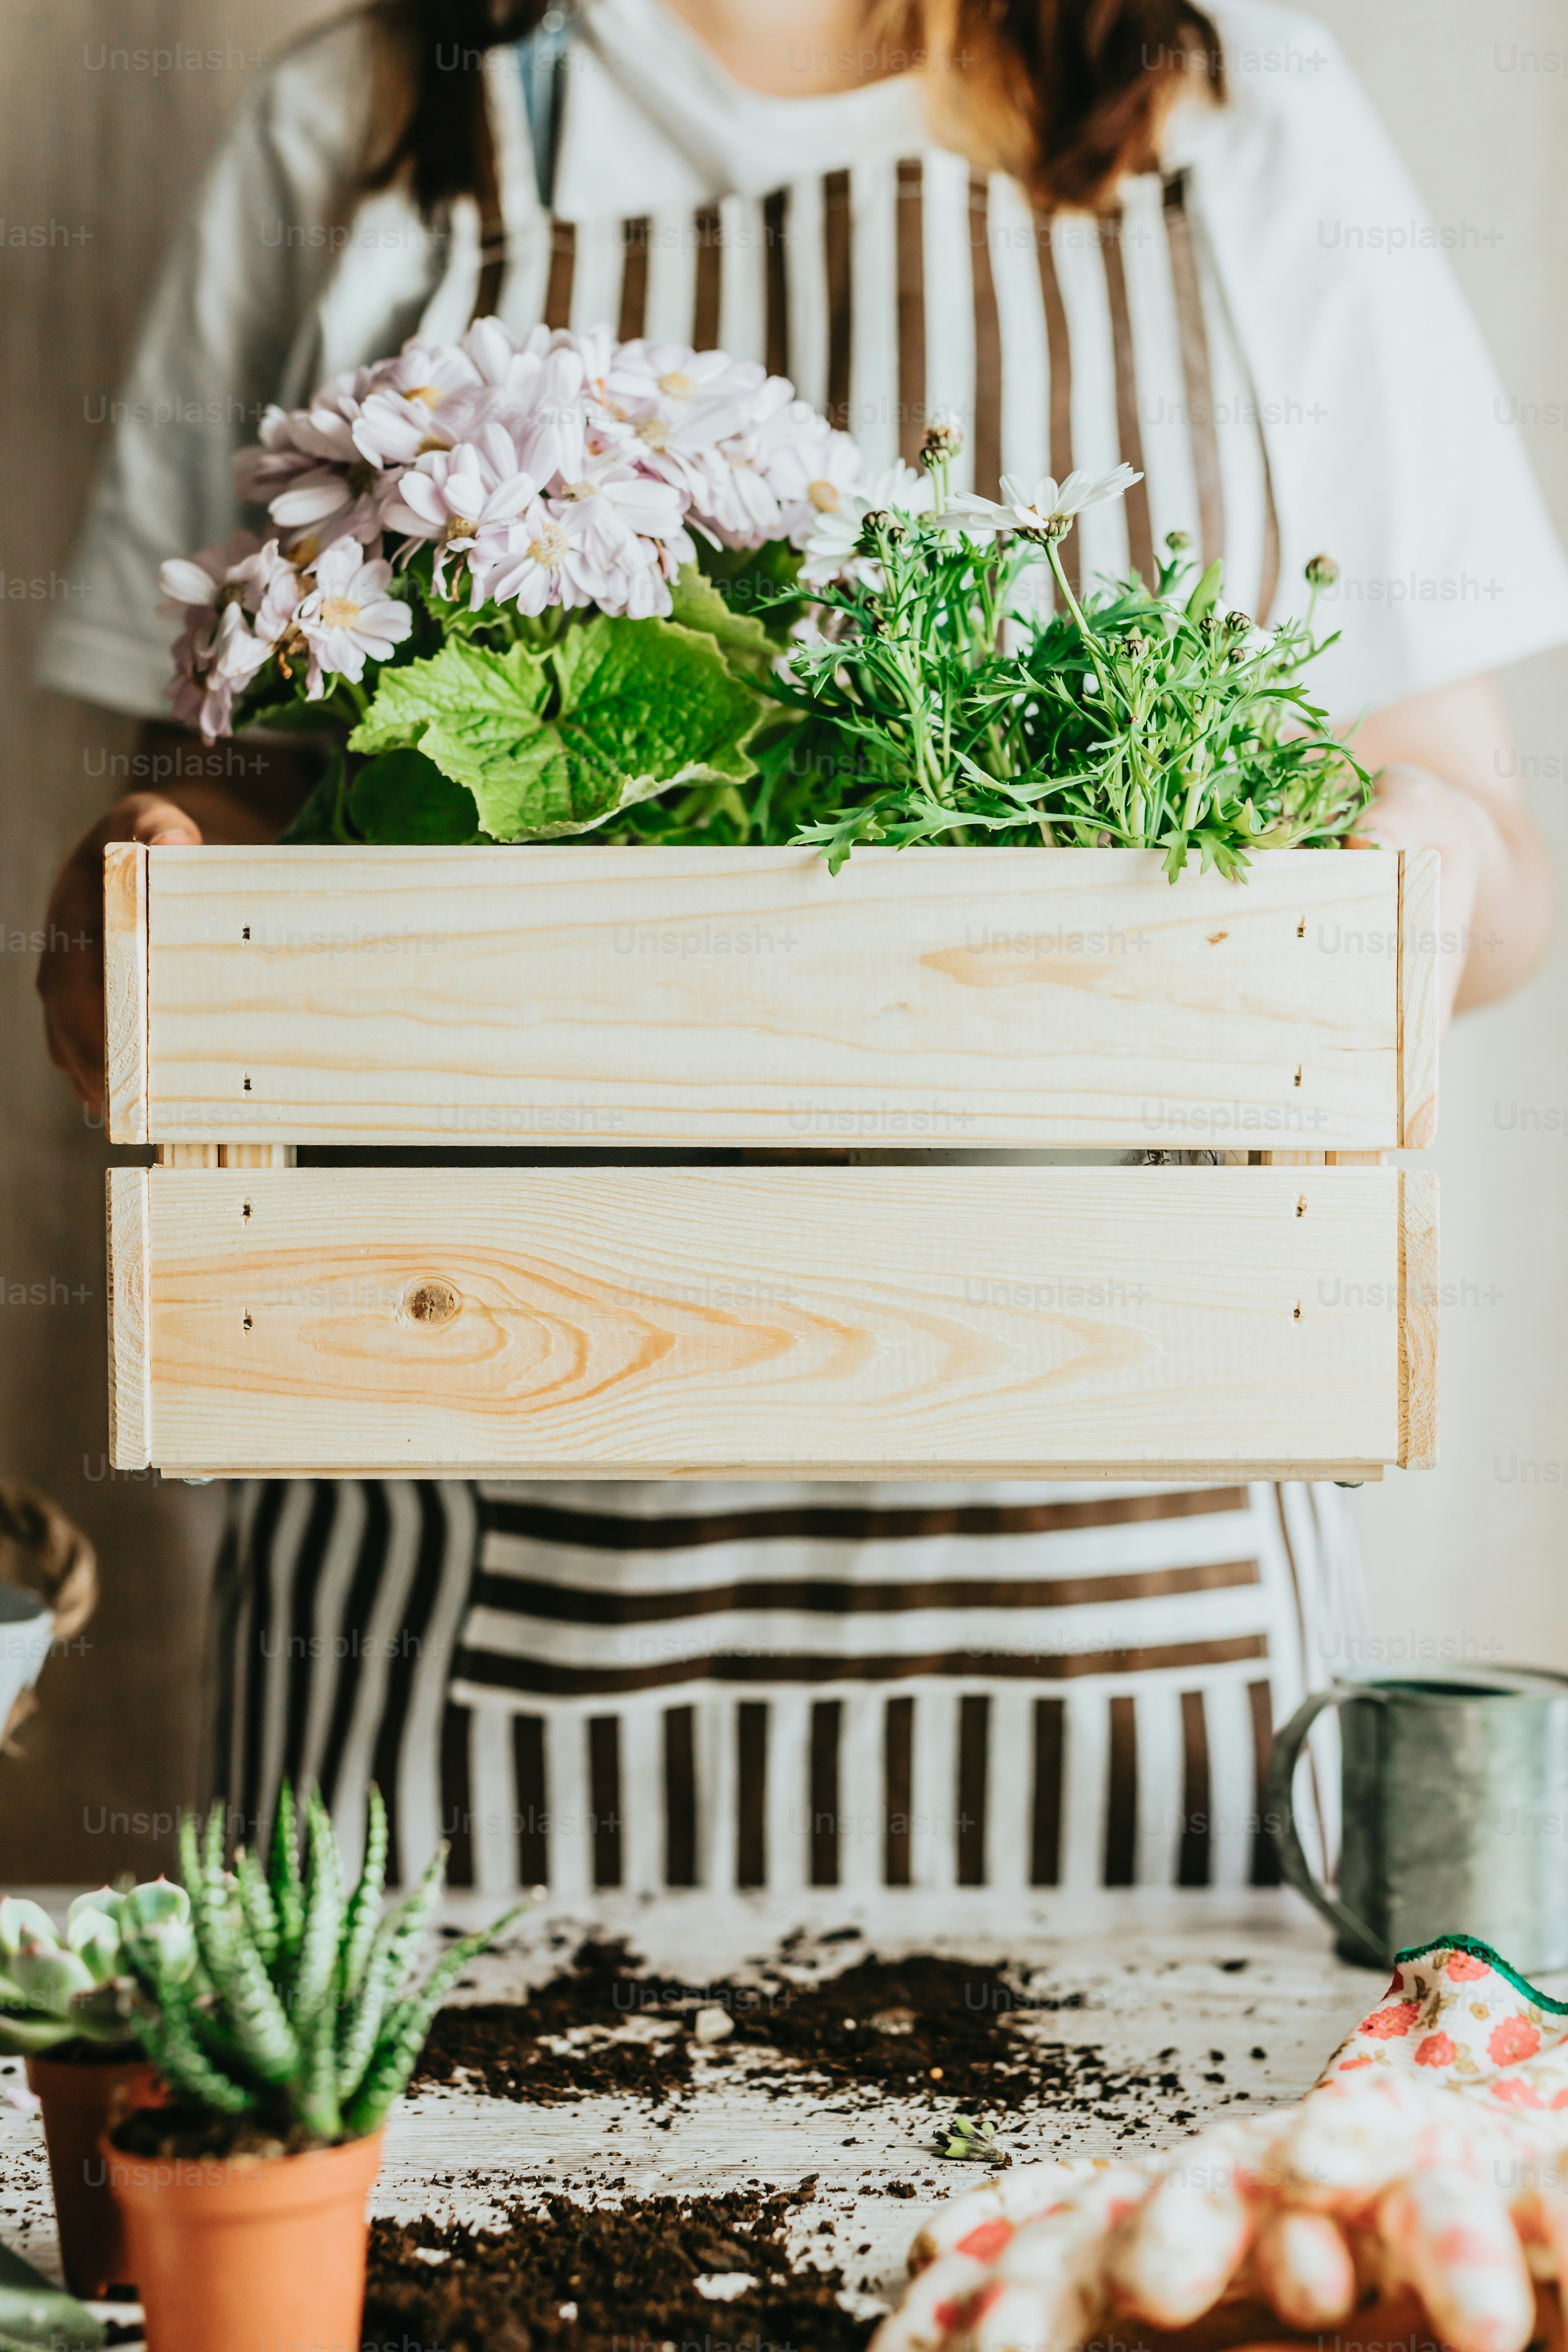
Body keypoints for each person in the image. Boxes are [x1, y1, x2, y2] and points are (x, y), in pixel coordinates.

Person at [35, 0, 1568, 1896]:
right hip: (451, 1546)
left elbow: (1478, 852)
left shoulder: (1235, 108)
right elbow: (220, 781)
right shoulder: (370, 120)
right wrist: (149, 880)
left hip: (1125, 1601)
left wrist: (1409, 864)